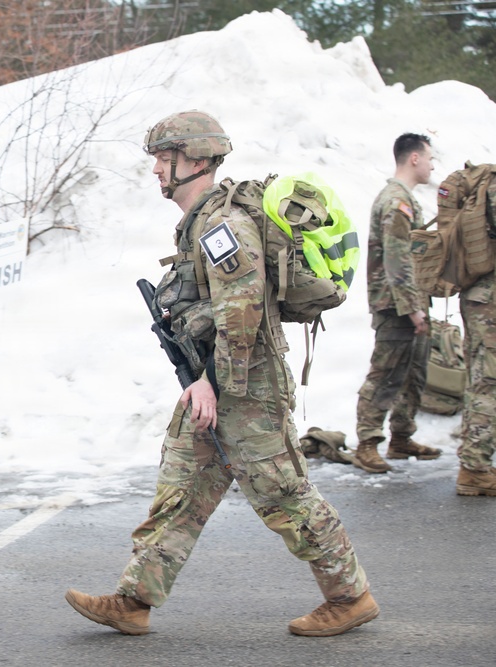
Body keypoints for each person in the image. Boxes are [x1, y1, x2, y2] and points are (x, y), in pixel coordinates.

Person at [64, 110, 377, 638]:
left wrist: (208, 381)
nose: (157, 170)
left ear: (199, 159)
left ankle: (350, 596)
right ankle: (134, 599)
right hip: (213, 382)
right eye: (158, 160)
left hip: (245, 385)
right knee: (182, 486)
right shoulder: (200, 224)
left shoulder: (222, 226)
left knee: (283, 493)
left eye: (166, 159)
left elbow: (242, 312)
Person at [353, 134, 442, 474]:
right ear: (414, 159)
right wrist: (412, 307)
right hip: (395, 305)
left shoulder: (405, 199)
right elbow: (396, 258)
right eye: (430, 158)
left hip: (409, 302)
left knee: (413, 374)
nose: (433, 165)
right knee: (386, 374)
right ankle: (366, 443)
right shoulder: (395, 201)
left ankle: (401, 438)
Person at [456, 173, 496, 496]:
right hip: (490, 300)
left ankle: (474, 462)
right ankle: (474, 468)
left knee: (479, 376)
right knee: (490, 381)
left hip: (477, 295)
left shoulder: (486, 186)